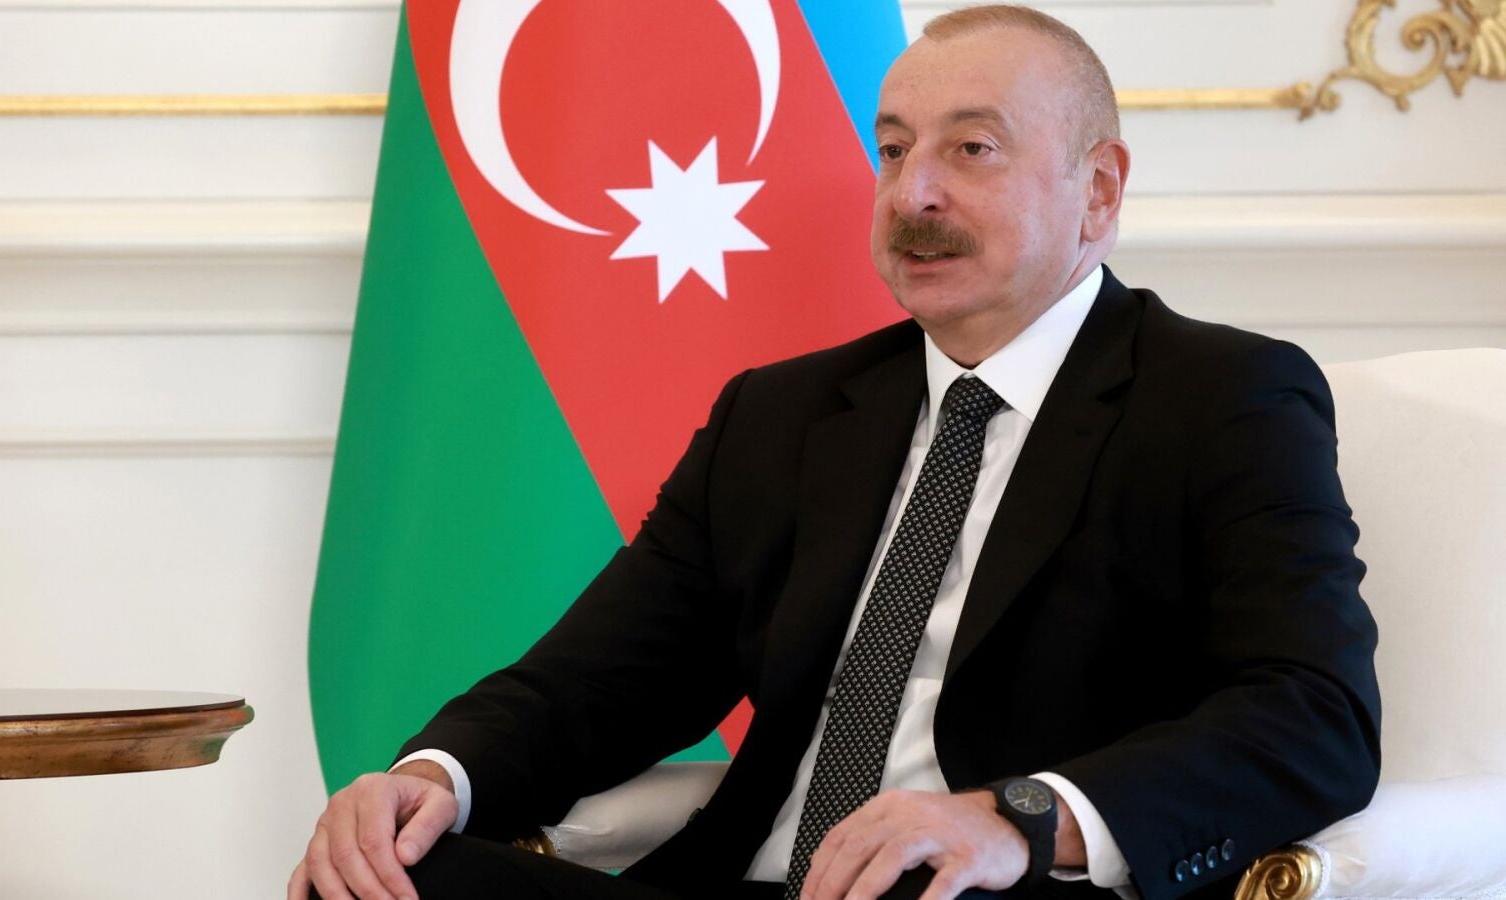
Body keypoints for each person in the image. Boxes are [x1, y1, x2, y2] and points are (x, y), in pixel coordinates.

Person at [290, 6, 1380, 900]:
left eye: (971, 148)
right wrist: (433, 775)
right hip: (746, 881)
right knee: (383, 880)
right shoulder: (783, 414)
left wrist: (1016, 818)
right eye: (894, 150)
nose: (913, 194)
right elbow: (599, 679)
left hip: (987, 889)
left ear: (1097, 189)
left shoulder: (1220, 396)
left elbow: (1311, 715)